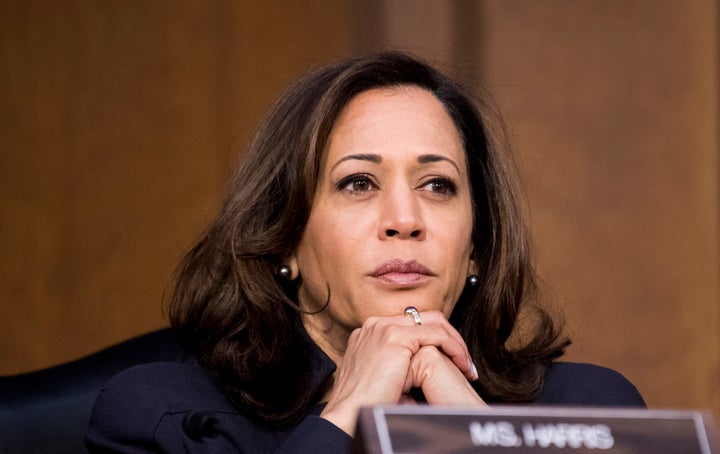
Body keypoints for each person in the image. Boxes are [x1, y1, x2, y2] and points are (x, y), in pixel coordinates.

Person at [86, 52, 644, 453]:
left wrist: (478, 435)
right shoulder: (165, 416)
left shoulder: (591, 412)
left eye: (437, 185)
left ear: (477, 248)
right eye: (358, 183)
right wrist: (346, 412)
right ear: (285, 238)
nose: (405, 221)